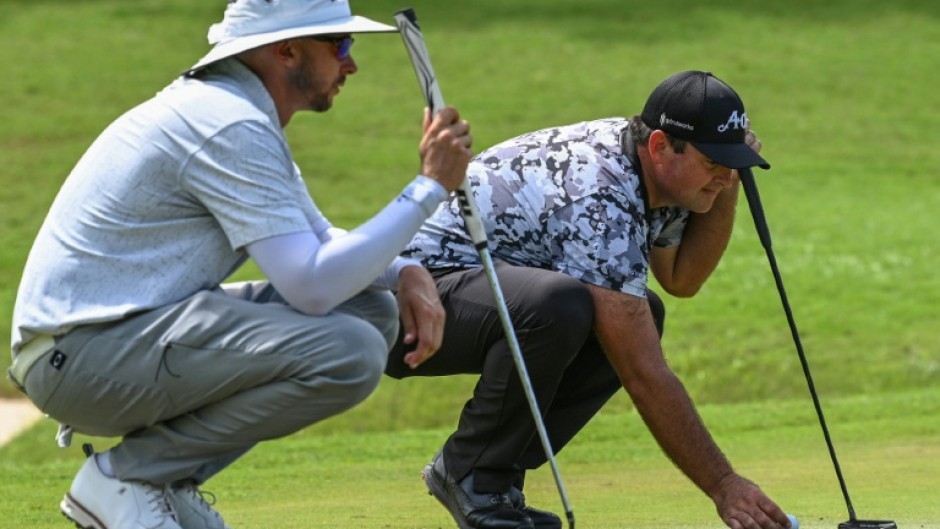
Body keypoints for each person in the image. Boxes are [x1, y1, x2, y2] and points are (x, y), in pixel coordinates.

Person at [8, 1, 471, 528]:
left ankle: (158, 480)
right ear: (287, 50)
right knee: (350, 349)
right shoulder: (227, 123)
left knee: (370, 307)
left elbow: (317, 243)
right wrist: (429, 186)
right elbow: (311, 286)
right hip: (80, 357)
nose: (351, 64)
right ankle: (126, 477)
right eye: (339, 45)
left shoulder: (234, 111)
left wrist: (404, 270)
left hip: (107, 341)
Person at [386, 70, 795, 529]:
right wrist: (724, 485)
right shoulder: (598, 193)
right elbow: (643, 372)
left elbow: (680, 278)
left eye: (733, 160)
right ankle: (473, 476)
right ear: (660, 146)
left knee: (636, 312)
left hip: (472, 298)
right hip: (400, 308)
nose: (724, 174)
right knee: (561, 306)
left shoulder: (664, 176)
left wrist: (727, 184)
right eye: (714, 162)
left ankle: (491, 478)